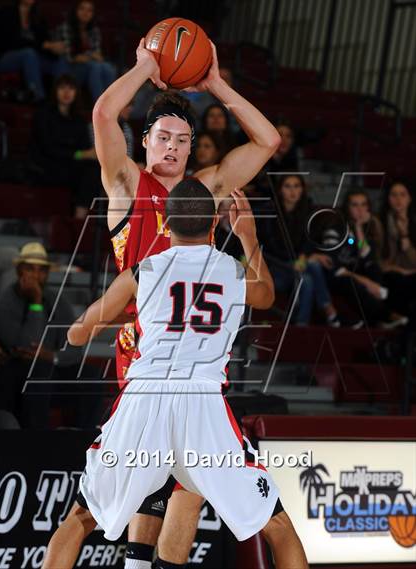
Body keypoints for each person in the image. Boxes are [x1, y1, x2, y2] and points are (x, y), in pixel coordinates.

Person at [43, 37, 282, 569]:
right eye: (163, 136)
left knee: (186, 490)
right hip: (143, 361)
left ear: (192, 149)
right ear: (145, 141)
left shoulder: (207, 188)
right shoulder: (128, 182)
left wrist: (216, 83)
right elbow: (105, 111)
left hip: (196, 358)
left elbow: (267, 140)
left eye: (182, 139)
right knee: (159, 489)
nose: (172, 146)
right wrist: (145, 67)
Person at [67, 182, 309, 569]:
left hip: (145, 398)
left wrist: (137, 316)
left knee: (80, 519)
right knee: (277, 526)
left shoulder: (142, 272)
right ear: (215, 222)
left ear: (166, 223)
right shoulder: (231, 270)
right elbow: (267, 295)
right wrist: (248, 237)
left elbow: (77, 334)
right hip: (202, 402)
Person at [0, 242, 82, 428]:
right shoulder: (5, 301)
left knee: (92, 377)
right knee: (37, 373)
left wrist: (51, 355)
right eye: (30, 269)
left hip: (50, 369)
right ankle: (33, 440)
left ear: (47, 273)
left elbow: (75, 349)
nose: (35, 275)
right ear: (19, 270)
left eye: (41, 270)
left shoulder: (59, 302)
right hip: (14, 371)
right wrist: (36, 302)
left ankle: (88, 438)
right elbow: (29, 344)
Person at [260, 174, 339, 326]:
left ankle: (302, 324)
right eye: (287, 186)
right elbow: (271, 247)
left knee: (307, 280)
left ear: (302, 189)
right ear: (280, 190)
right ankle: (327, 307)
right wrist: (302, 259)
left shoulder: (308, 211)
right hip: (275, 268)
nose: (293, 191)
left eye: (297, 186)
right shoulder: (269, 211)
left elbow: (309, 241)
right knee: (313, 267)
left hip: (297, 268)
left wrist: (304, 257)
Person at [324, 190, 407, 329]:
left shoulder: (361, 231)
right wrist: (367, 282)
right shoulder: (334, 231)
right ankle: (385, 316)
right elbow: (336, 268)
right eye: (355, 205)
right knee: (351, 281)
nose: (360, 210)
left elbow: (365, 255)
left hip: (355, 272)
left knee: (377, 269)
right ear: (347, 208)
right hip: (336, 276)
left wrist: (358, 228)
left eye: (364, 205)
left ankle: (389, 317)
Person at [29, 74, 101, 218]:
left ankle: (79, 218)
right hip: (46, 165)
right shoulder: (43, 114)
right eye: (62, 88)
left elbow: (85, 147)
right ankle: (78, 219)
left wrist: (88, 154)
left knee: (95, 170)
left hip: (69, 165)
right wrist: (81, 154)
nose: (67, 93)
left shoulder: (79, 119)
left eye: (71, 89)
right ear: (55, 91)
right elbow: (47, 148)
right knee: (89, 173)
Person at [0, 0, 68, 101]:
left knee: (59, 61)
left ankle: (59, 101)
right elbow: (9, 42)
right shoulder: (6, 12)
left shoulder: (37, 16)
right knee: (29, 54)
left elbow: (44, 41)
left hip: (34, 57)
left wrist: (53, 48)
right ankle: (39, 97)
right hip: (4, 57)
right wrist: (44, 45)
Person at [55, 0, 115, 102]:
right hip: (70, 69)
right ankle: (100, 105)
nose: (85, 13)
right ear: (75, 10)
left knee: (108, 67)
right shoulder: (66, 28)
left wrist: (86, 56)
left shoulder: (94, 30)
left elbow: (98, 56)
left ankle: (112, 103)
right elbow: (71, 57)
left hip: (88, 66)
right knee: (95, 66)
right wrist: (90, 55)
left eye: (89, 10)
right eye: (82, 8)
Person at [380, 180, 416, 318]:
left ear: (410, 198)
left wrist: (405, 235)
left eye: (402, 195)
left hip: (411, 273)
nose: (398, 199)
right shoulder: (379, 223)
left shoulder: (414, 223)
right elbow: (375, 258)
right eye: (393, 195)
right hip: (390, 274)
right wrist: (400, 270)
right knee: (397, 279)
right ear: (388, 198)